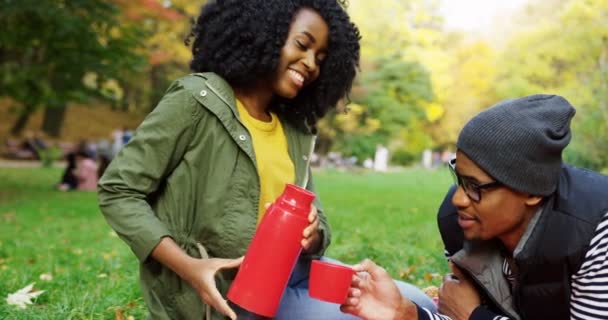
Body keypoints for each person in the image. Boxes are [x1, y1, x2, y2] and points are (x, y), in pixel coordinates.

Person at [98, 1, 433, 320]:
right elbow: (118, 191)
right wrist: (190, 267)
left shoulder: (294, 130)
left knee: (416, 303)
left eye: (320, 57)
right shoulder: (196, 100)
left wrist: (313, 233)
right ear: (261, 33)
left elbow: (318, 222)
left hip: (293, 276)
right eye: (302, 44)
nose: (311, 63)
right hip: (230, 294)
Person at [340, 94, 608, 320]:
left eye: (475, 186)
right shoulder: (457, 221)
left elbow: (467, 313)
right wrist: (405, 313)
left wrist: (476, 317)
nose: (458, 199)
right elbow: (458, 311)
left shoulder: (594, 230)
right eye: (459, 179)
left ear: (530, 190)